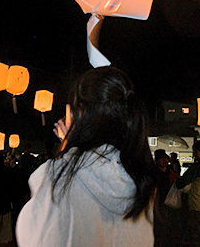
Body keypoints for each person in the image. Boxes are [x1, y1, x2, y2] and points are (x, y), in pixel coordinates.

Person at [16, 66, 156, 246]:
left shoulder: (57, 175)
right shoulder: (139, 178)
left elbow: (34, 237)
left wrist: (66, 150)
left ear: (81, 113)